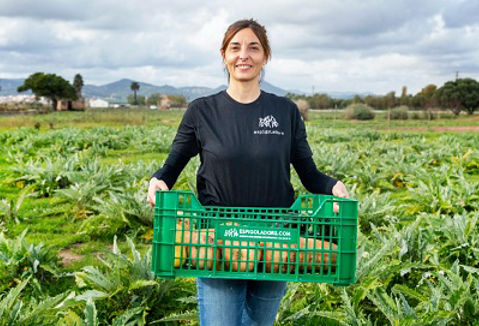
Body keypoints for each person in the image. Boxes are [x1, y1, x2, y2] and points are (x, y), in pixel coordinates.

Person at [147, 19, 349, 326]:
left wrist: (333, 187)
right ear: (224, 55)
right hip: (217, 240)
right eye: (235, 47)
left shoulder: (285, 112)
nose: (244, 55)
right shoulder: (202, 111)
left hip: (278, 238)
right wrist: (158, 180)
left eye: (254, 47)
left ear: (265, 56)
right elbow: (172, 165)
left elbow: (309, 174)